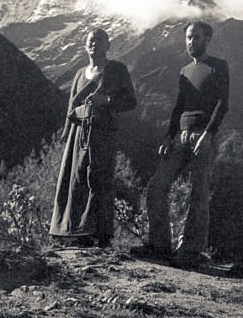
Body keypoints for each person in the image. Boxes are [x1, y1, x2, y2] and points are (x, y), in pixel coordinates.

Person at [131, 20, 229, 269]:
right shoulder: (185, 71)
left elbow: (222, 104)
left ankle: (191, 251)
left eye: (195, 37)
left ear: (207, 39)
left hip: (202, 136)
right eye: (187, 37)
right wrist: (168, 135)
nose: (190, 42)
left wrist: (208, 134)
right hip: (181, 136)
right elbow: (178, 107)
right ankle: (160, 245)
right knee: (156, 186)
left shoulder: (218, 66)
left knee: (199, 193)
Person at [49, 28, 137, 248]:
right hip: (78, 134)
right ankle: (73, 232)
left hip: (103, 133)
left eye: (99, 40)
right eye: (90, 41)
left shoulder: (117, 69)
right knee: (74, 180)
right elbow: (72, 104)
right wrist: (67, 132)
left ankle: (99, 233)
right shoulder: (80, 73)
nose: (94, 44)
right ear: (85, 45)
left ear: (109, 45)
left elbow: (130, 101)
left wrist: (106, 101)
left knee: (99, 180)